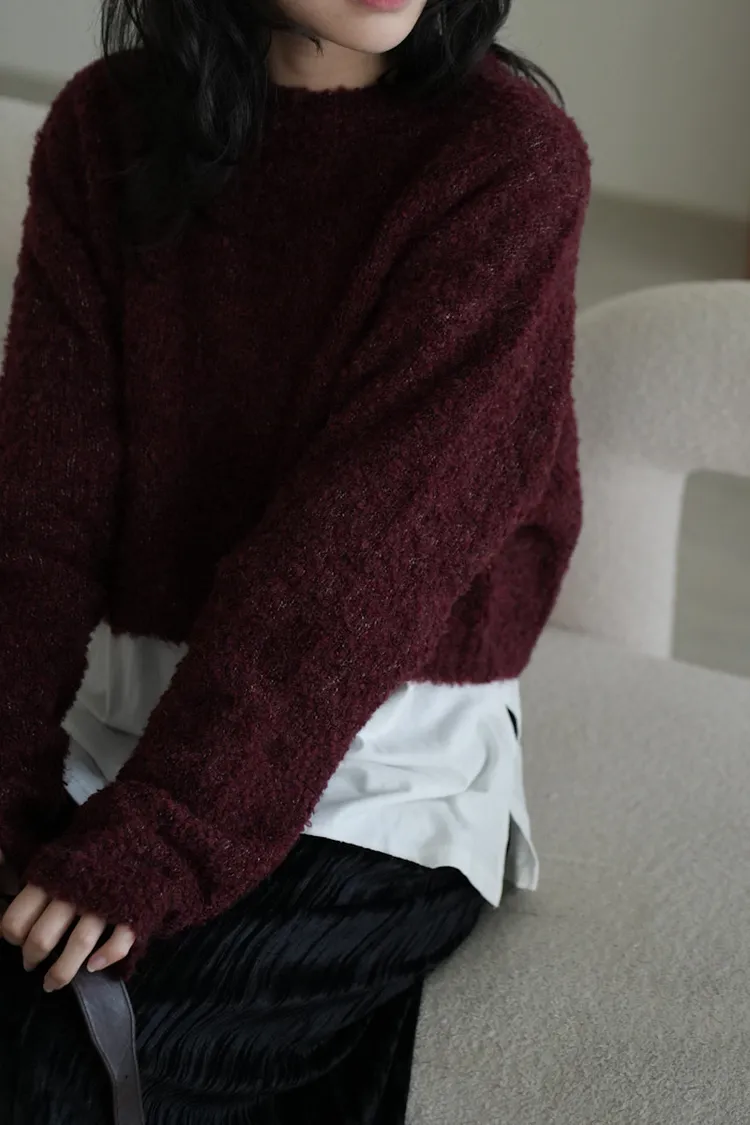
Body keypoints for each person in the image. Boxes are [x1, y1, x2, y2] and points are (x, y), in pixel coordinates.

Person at [0, 0, 590, 1119]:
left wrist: (161, 836)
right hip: (116, 722)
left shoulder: (508, 160)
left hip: (377, 764)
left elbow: (360, 569)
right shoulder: (103, 128)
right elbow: (40, 506)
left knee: (61, 1059)